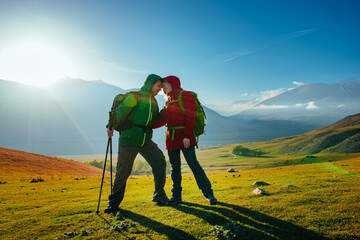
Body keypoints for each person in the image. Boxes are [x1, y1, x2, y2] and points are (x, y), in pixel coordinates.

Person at [104, 74, 169, 214]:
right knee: (123, 172)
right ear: (150, 84)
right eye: (158, 85)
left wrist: (167, 111)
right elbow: (120, 112)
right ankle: (113, 204)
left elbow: (156, 119)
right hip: (128, 140)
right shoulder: (134, 96)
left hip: (145, 140)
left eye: (160, 86)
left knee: (160, 162)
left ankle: (159, 196)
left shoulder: (154, 101)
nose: (159, 89)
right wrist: (110, 126)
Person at [153, 75, 218, 205]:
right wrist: (145, 124)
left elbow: (190, 115)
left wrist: (187, 135)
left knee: (193, 164)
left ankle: (209, 195)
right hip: (171, 138)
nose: (162, 88)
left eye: (164, 84)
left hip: (184, 137)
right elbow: (162, 119)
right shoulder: (169, 99)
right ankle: (176, 197)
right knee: (175, 168)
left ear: (172, 83)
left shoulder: (185, 95)